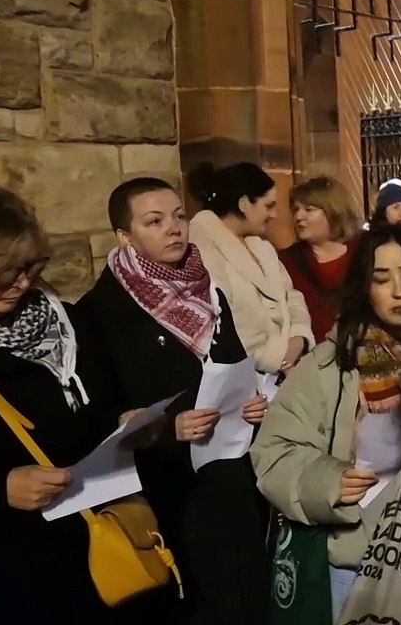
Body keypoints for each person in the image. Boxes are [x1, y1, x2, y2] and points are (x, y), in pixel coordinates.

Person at [0, 186, 164, 622]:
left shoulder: (67, 321)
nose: (22, 283)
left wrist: (127, 424)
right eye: (3, 272)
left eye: (30, 267)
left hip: (94, 554)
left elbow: (101, 404)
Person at [75, 177, 271, 624]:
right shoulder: (99, 311)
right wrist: (166, 429)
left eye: (179, 216)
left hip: (231, 472)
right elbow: (98, 410)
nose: (174, 228)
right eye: (154, 221)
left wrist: (252, 403)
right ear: (125, 236)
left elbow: (234, 365)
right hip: (171, 490)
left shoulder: (209, 291)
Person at [253, 223, 401, 620]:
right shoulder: (331, 364)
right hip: (357, 561)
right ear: (363, 287)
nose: (399, 291)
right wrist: (328, 482)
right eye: (381, 279)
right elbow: (273, 451)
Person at [187, 162, 315, 381]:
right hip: (250, 382)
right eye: (268, 206)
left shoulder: (262, 245)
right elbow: (224, 320)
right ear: (245, 204)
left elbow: (291, 295)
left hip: (289, 367)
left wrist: (298, 337)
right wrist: (278, 358)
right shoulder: (202, 248)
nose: (274, 214)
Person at [280, 176, 362, 343]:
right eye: (295, 209)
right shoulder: (286, 261)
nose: (298, 217)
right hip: (312, 358)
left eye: (309, 210)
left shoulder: (365, 251)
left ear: (333, 211)